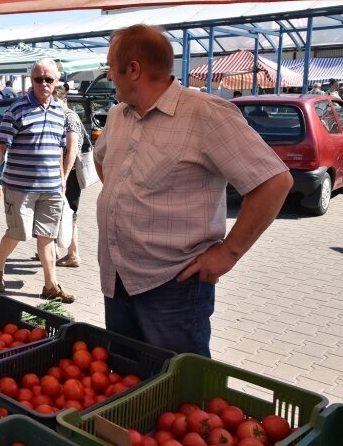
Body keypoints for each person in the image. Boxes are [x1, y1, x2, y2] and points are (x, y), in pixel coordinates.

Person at [94, 24, 292, 356]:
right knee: (127, 379)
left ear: (133, 69)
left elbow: (274, 181)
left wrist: (228, 253)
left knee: (178, 389)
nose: (109, 76)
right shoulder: (117, 115)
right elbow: (103, 162)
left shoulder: (205, 114)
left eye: (111, 68)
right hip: (117, 277)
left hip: (174, 284)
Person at [0, 58, 74, 303]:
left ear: (57, 81)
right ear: (31, 80)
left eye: (49, 79)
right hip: (19, 186)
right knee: (19, 232)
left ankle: (51, 285)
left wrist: (62, 178)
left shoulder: (60, 112)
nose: (44, 83)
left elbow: (59, 149)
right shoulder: (17, 109)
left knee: (48, 236)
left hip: (52, 187)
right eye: (39, 79)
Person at [53, 85, 86, 268]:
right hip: (63, 173)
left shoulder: (69, 117)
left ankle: (73, 254)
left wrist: (64, 177)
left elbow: (72, 150)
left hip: (69, 174)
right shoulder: (60, 116)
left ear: (64, 100)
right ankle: (54, 249)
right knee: (59, 212)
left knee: (69, 213)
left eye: (56, 102)